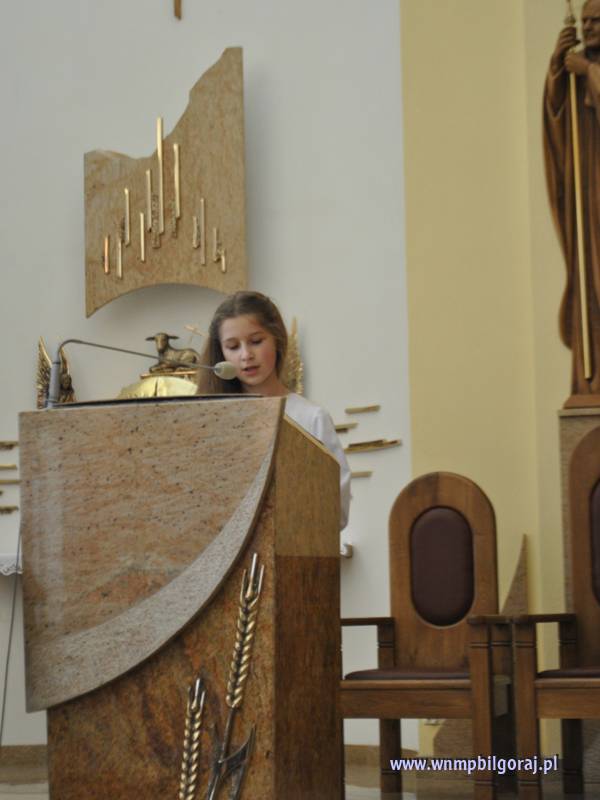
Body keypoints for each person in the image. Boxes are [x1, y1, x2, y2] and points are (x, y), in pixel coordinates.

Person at [197, 291, 351, 529]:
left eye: (256, 341)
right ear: (221, 354)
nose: (246, 355)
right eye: (233, 346)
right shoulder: (212, 419)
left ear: (277, 339)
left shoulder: (311, 418)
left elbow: (336, 510)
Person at [544, 0, 600, 400]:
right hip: (587, 195)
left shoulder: (587, 69)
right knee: (589, 279)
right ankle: (590, 372)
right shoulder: (577, 68)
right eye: (585, 21)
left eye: (597, 20)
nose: (589, 27)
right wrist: (558, 71)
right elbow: (556, 117)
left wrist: (591, 73)